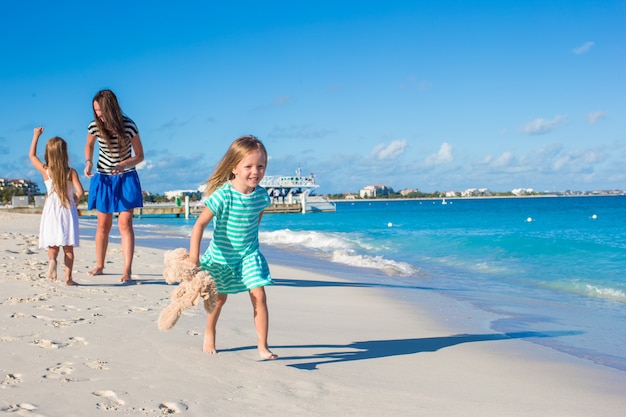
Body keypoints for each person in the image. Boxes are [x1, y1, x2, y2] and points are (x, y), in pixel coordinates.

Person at [189, 135, 277, 360]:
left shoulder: (261, 196)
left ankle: (262, 346)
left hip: (249, 255)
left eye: (261, 166)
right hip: (222, 258)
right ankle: (209, 331)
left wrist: (251, 245)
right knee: (219, 299)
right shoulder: (222, 195)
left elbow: (255, 220)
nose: (255, 171)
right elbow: (199, 225)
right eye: (248, 166)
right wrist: (194, 259)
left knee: (259, 294)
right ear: (234, 168)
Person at [84, 89, 144, 284]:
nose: (98, 114)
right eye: (95, 111)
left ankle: (127, 270)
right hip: (103, 177)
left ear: (111, 108)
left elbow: (140, 155)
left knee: (125, 224)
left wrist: (123, 164)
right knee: (103, 225)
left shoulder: (128, 125)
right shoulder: (94, 126)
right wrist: (88, 162)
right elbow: (90, 146)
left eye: (101, 110)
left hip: (126, 177)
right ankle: (100, 265)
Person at [29, 127, 85, 286]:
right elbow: (80, 191)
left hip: (51, 210)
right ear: (65, 154)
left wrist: (36, 136)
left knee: (53, 243)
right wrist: (75, 199)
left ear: (48, 154)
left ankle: (52, 260)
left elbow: (32, 156)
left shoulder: (46, 171)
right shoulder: (71, 172)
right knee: (68, 247)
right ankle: (68, 278)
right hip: (67, 209)